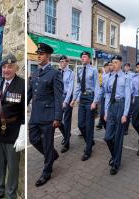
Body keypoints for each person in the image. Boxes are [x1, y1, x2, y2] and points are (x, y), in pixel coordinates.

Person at [0, 53, 25, 199]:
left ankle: (11, 195)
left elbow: (23, 113)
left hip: (13, 132)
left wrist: (22, 136)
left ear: (16, 67)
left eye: (10, 66)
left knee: (13, 168)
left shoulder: (21, 85)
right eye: (4, 67)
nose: (6, 70)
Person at [28, 43, 63, 187]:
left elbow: (58, 97)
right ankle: (52, 155)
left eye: (41, 54)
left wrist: (57, 117)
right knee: (33, 139)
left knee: (48, 144)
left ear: (47, 57)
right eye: (38, 54)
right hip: (35, 114)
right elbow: (30, 92)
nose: (38, 56)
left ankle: (47, 171)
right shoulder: (35, 73)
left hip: (48, 116)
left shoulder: (55, 73)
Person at [103, 55, 131, 175]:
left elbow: (128, 97)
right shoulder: (109, 78)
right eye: (112, 62)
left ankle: (116, 163)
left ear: (120, 63)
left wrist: (125, 114)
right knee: (108, 137)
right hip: (112, 107)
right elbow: (108, 95)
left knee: (118, 137)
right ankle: (115, 155)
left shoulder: (125, 78)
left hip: (120, 105)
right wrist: (105, 111)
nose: (113, 64)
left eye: (115, 62)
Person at [70, 51, 100, 161]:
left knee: (89, 124)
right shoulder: (80, 70)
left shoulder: (94, 69)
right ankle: (89, 140)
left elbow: (97, 86)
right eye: (81, 57)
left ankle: (88, 150)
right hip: (82, 99)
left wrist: (95, 101)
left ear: (89, 58)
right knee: (81, 124)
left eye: (85, 57)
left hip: (90, 98)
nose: (82, 58)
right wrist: (74, 99)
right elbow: (78, 85)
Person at [58, 55, 74, 153]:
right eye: (61, 61)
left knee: (67, 121)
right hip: (59, 98)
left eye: (64, 61)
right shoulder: (57, 72)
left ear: (67, 62)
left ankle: (66, 144)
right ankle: (66, 134)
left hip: (67, 97)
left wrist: (66, 101)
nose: (62, 63)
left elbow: (71, 88)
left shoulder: (71, 73)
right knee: (58, 119)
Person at [122, 63, 135, 135]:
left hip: (130, 95)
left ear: (129, 67)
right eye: (125, 66)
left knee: (128, 112)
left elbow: (134, 86)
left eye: (127, 66)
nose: (126, 67)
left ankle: (126, 128)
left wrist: (133, 97)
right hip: (122, 96)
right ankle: (122, 126)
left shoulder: (132, 75)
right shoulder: (122, 74)